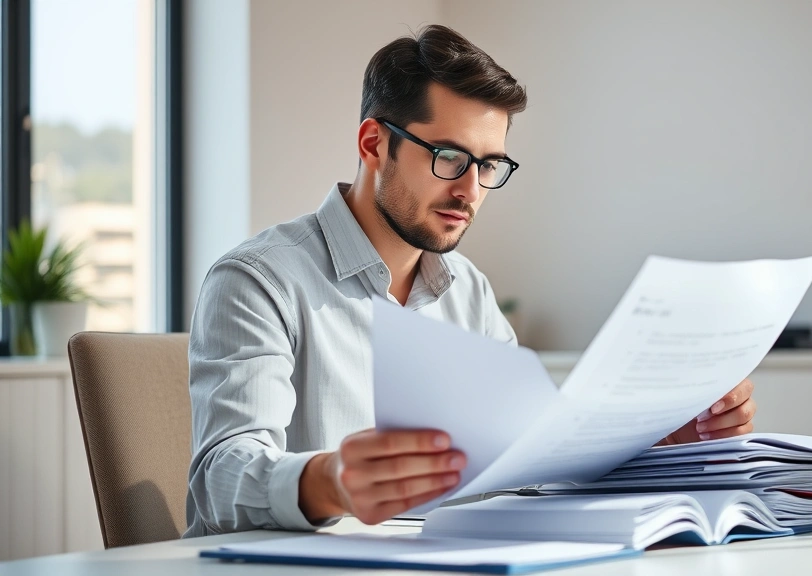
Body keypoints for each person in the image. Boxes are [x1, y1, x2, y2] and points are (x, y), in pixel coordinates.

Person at [184, 24, 756, 537]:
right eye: (450, 157)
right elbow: (218, 479)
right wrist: (328, 481)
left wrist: (663, 440)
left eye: (488, 165)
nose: (470, 190)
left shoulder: (467, 289)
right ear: (373, 144)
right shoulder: (259, 280)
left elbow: (531, 459)